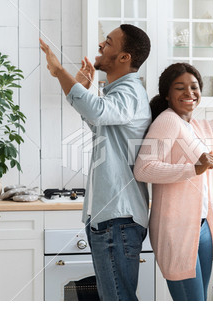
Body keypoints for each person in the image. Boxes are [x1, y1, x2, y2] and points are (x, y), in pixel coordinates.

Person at [40, 24, 151, 301]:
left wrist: (61, 73)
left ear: (125, 57)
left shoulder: (130, 91)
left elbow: (98, 112)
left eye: (109, 42)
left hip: (118, 219)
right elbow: (100, 124)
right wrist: (83, 89)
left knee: (117, 301)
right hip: (111, 218)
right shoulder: (120, 92)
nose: (101, 45)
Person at [134, 53, 213, 301]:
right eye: (180, 87)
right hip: (176, 230)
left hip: (202, 228)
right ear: (167, 94)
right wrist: (192, 169)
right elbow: (143, 168)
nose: (189, 92)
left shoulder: (196, 126)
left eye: (194, 87)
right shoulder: (167, 121)